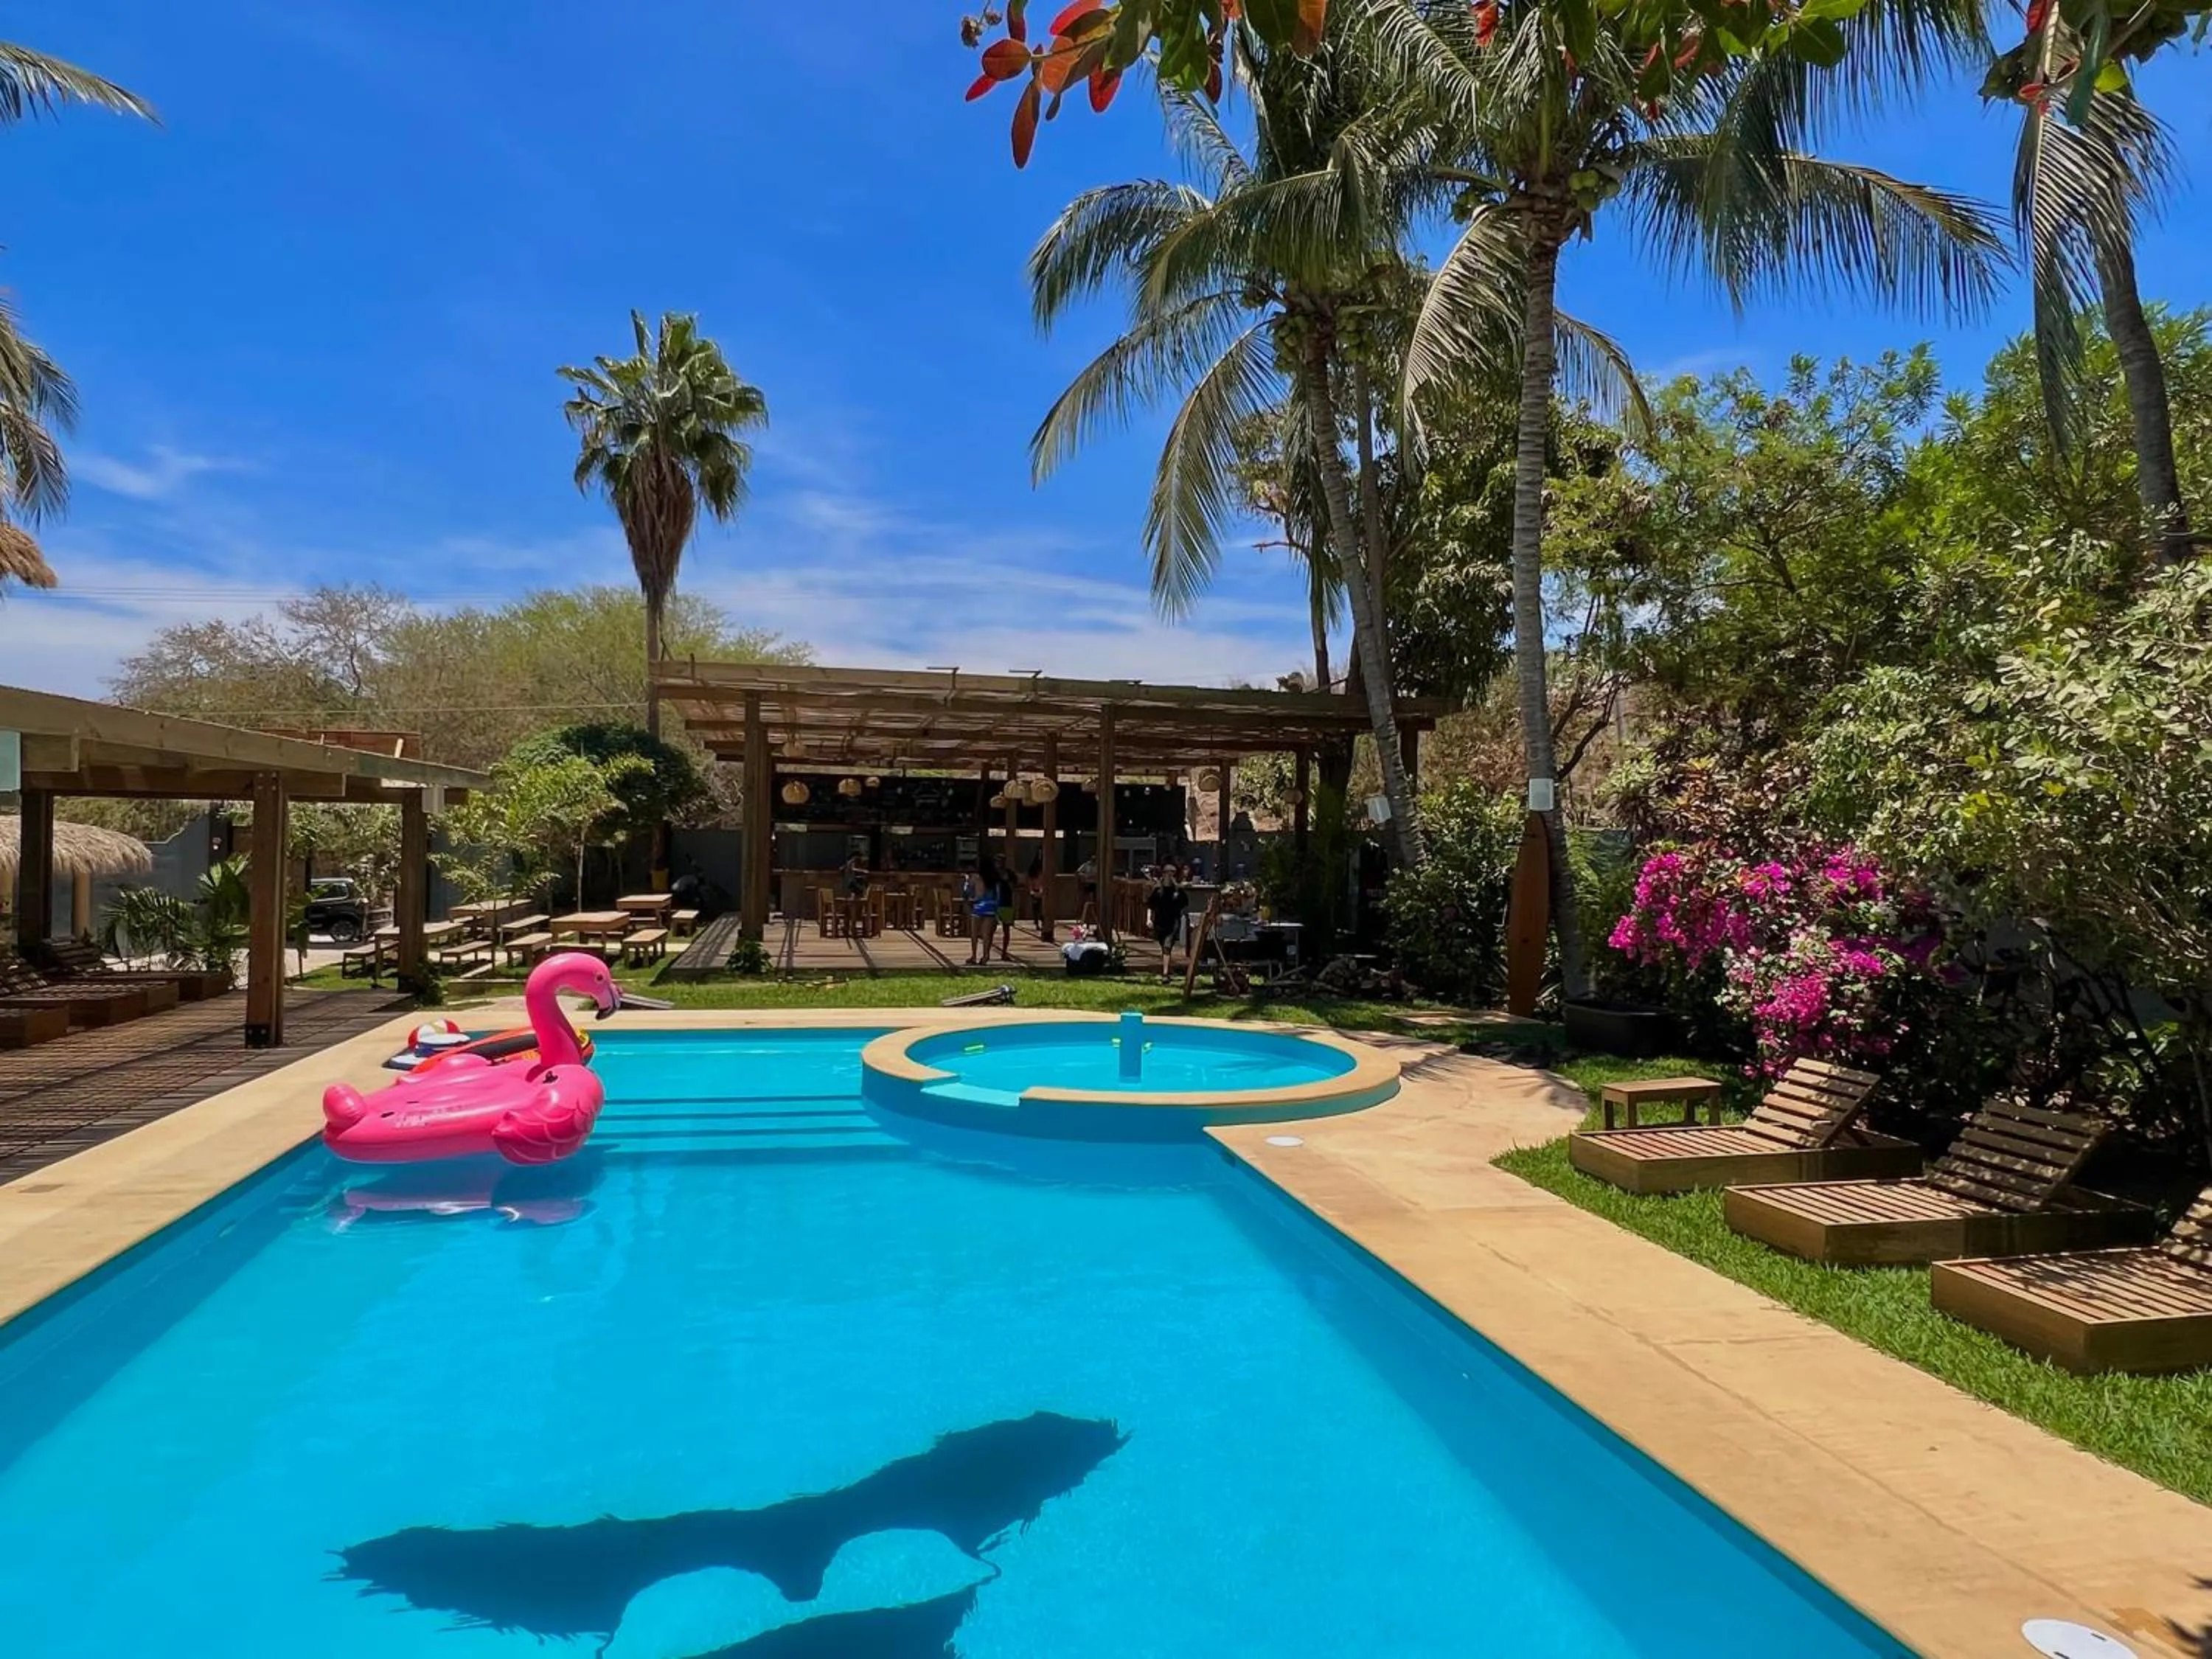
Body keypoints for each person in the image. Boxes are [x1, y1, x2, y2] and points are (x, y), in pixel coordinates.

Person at [1147, 865, 1189, 983]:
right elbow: (1150, 906)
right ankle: (1168, 968)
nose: (1170, 876)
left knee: (1167, 945)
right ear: (1163, 874)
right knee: (1163, 946)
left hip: (1173, 921)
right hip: (1160, 922)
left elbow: (1185, 904)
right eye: (1167, 873)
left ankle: (1165, 974)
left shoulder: (1178, 891)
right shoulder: (1158, 890)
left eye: (1173, 874)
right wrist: (1149, 919)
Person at [964, 856, 999, 967]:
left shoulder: (976, 878)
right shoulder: (995, 879)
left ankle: (974, 956)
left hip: (979, 906)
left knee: (974, 933)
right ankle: (985, 956)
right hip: (991, 907)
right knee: (987, 935)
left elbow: (974, 894)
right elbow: (998, 894)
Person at [993, 856, 1019, 961]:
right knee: (990, 929)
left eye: (1001, 861)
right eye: (997, 862)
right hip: (994, 904)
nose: (999, 864)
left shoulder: (1010, 874)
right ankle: (986, 953)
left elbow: (1013, 889)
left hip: (1006, 904)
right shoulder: (992, 874)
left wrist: (1007, 880)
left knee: (1006, 930)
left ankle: (1004, 953)